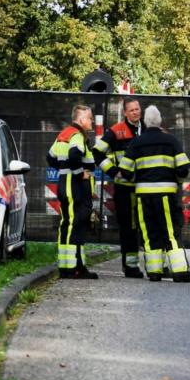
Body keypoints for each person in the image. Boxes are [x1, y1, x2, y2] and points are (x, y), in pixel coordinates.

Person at [119, 105, 190, 283]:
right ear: (160, 121)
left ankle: (154, 272)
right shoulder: (171, 141)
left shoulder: (136, 142)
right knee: (170, 232)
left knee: (149, 233)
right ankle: (180, 272)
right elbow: (184, 169)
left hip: (143, 196)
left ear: (145, 122)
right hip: (166, 195)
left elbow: (125, 171)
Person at [93, 97, 144, 278]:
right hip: (125, 188)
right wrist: (114, 172)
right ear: (125, 113)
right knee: (129, 227)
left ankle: (157, 265)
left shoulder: (147, 129)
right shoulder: (116, 131)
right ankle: (130, 266)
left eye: (137, 109)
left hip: (146, 187)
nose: (136, 112)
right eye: (132, 110)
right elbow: (97, 152)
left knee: (149, 225)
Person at [48, 104, 98, 279]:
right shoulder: (77, 136)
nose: (91, 121)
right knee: (74, 224)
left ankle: (73, 266)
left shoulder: (64, 134)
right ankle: (72, 268)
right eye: (90, 118)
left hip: (66, 183)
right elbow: (75, 155)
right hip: (75, 187)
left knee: (69, 223)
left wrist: (64, 170)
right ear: (82, 119)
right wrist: (78, 173)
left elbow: (50, 157)